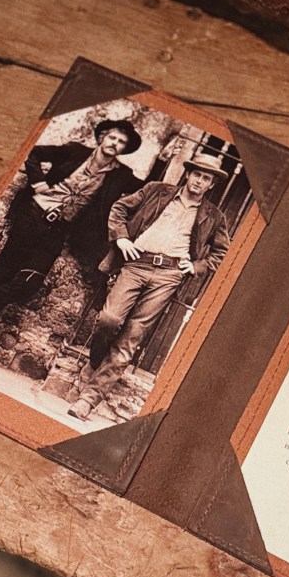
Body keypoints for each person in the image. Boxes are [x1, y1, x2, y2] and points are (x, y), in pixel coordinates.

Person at [0, 119, 143, 358]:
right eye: (113, 138)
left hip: (59, 230)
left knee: (28, 285)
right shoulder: (75, 151)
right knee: (0, 276)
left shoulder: (121, 175)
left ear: (124, 149)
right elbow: (34, 152)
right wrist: (38, 182)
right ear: (102, 137)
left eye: (121, 142)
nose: (115, 144)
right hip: (32, 216)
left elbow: (148, 189)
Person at [68, 152, 231, 421]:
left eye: (207, 178)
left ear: (211, 185)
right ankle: (96, 362)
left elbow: (222, 253)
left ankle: (89, 399)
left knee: (132, 335)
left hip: (169, 275)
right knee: (109, 320)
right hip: (136, 263)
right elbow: (120, 208)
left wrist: (197, 266)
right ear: (188, 173)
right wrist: (121, 239)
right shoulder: (157, 190)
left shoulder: (214, 216)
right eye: (197, 174)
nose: (200, 181)